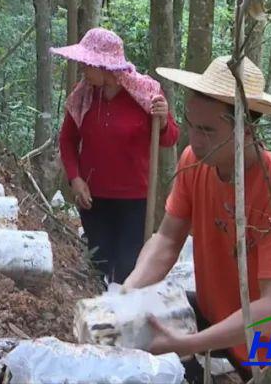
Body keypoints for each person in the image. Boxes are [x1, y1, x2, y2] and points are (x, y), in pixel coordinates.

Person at [121, 56, 271, 383]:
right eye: (191, 125)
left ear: (245, 129)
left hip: (263, 350)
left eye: (207, 130)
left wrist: (187, 344)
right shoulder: (194, 161)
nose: (194, 140)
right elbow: (166, 240)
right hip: (209, 311)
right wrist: (128, 291)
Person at [51, 28, 179, 286]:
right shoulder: (83, 94)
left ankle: (121, 319)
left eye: (88, 64)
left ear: (105, 67)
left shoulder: (146, 94)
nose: (83, 69)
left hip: (134, 200)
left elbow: (169, 139)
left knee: (127, 267)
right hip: (93, 198)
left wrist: (163, 119)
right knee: (99, 264)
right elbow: (67, 140)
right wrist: (75, 179)